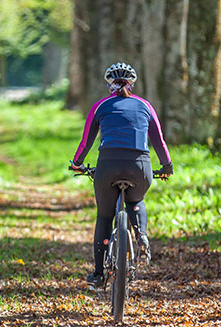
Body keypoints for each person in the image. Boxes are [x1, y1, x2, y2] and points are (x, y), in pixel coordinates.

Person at [69, 62, 174, 289]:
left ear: (110, 85)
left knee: (105, 217)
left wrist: (77, 164)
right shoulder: (145, 106)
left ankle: (98, 274)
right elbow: (159, 141)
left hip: (108, 165)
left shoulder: (100, 106)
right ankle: (142, 235)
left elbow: (86, 141)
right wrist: (166, 166)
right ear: (132, 85)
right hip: (140, 167)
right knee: (136, 200)